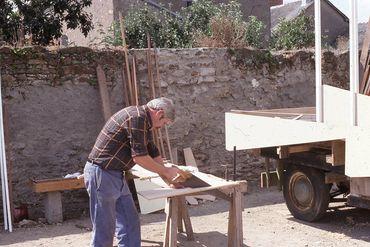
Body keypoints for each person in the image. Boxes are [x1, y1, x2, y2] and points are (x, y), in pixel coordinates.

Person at [84, 97, 182, 247]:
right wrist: (167, 171)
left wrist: (168, 178)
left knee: (130, 221)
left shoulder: (144, 121)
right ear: (159, 113)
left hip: (115, 173)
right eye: (164, 123)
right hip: (102, 173)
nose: (162, 127)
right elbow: (140, 157)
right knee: (104, 229)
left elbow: (152, 151)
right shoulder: (137, 117)